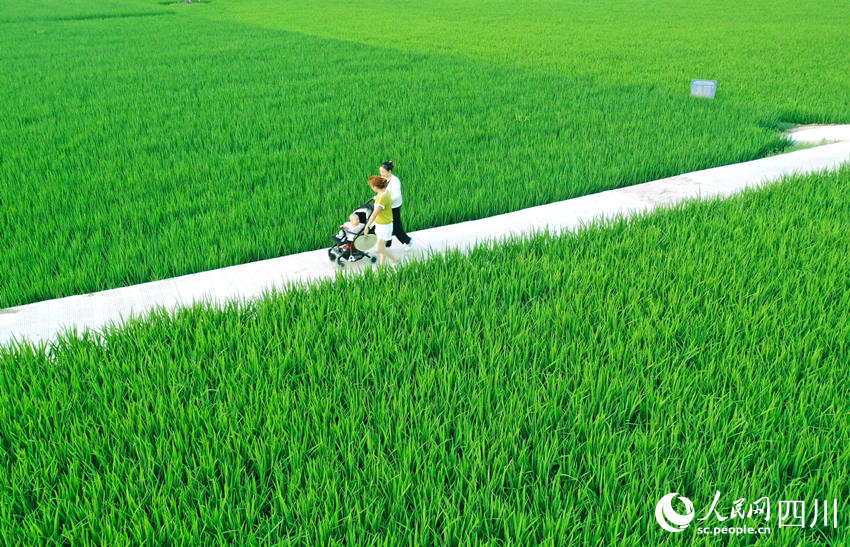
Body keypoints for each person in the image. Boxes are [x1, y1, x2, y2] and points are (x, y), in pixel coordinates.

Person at [363, 175, 398, 266]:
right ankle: (382, 267)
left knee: (380, 249)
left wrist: (367, 226)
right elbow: (386, 200)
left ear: (374, 187)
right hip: (381, 224)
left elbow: (374, 214)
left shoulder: (381, 199)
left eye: (371, 186)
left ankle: (394, 260)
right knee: (381, 248)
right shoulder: (385, 192)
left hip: (384, 226)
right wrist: (377, 198)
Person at [379, 161, 413, 250]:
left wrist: (387, 201)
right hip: (386, 206)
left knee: (396, 227)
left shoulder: (395, 181)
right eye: (380, 171)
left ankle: (408, 241)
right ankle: (387, 245)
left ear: (389, 171)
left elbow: (397, 195)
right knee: (387, 225)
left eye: (383, 172)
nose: (381, 174)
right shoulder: (383, 178)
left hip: (394, 206)